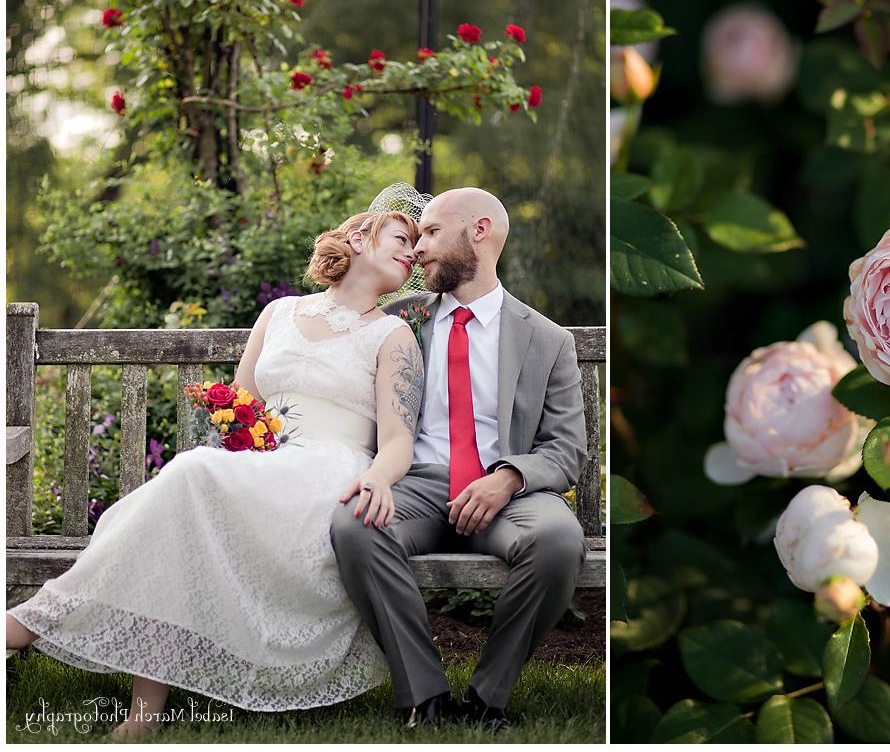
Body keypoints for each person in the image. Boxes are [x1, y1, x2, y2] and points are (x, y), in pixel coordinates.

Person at [5, 211, 425, 736]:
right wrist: (249, 445)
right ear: (360, 237)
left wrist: (379, 478)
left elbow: (398, 440)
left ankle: (30, 622)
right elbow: (241, 404)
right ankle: (141, 714)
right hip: (264, 464)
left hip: (328, 472)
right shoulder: (280, 313)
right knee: (181, 507)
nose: (411, 251)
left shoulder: (392, 335)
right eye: (401, 238)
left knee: (191, 473)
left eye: (415, 245)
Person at [330, 187, 587, 731]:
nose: (417, 249)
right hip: (416, 485)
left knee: (559, 540)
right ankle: (426, 697)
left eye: (430, 233)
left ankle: (488, 697)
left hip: (507, 495)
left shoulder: (548, 340)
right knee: (355, 525)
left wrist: (510, 478)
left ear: (480, 231)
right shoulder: (399, 322)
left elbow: (566, 449)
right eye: (416, 235)